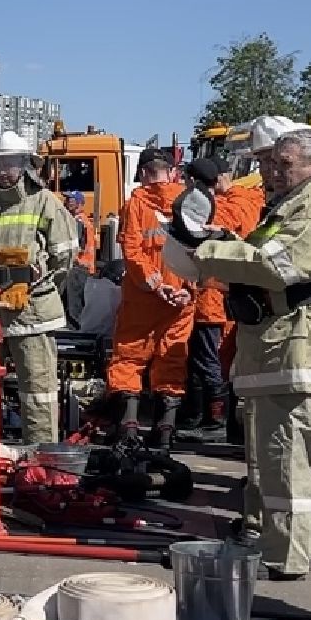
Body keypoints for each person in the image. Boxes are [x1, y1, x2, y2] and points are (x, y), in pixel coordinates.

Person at [171, 124, 311, 580]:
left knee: (288, 463)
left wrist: (207, 252)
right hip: (284, 345)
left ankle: (285, 558)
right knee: (283, 463)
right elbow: (264, 252)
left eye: (285, 164)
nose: (274, 171)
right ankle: (292, 549)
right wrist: (225, 241)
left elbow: (278, 266)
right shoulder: (293, 205)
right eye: (272, 163)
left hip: (298, 349)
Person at [0, 131, 77, 444]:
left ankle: (40, 457)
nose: (3, 170)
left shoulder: (44, 201)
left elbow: (64, 256)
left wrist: (34, 286)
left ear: (25, 164)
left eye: (10, 164)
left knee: (37, 390)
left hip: (33, 311)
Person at [106, 149, 196, 446]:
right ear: (172, 172)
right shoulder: (190, 203)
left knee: (129, 358)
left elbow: (132, 252)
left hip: (143, 298)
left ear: (144, 173)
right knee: (172, 359)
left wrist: (157, 285)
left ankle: (129, 431)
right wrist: (188, 288)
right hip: (181, 299)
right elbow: (201, 251)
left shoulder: (135, 204)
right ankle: (165, 434)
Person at [177, 159, 231, 439]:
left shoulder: (205, 209)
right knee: (202, 361)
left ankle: (216, 422)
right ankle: (201, 418)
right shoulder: (226, 205)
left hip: (209, 300)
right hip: (213, 300)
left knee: (208, 362)